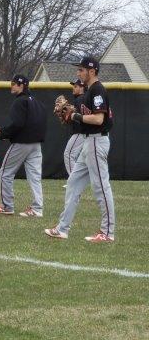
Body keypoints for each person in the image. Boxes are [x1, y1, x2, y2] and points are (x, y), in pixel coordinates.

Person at [45, 56, 116, 243]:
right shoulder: (89, 91)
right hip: (88, 142)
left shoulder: (98, 89)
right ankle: (62, 228)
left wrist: (75, 115)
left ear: (92, 71)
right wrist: (72, 113)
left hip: (97, 141)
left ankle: (107, 233)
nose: (78, 73)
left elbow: (99, 119)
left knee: (101, 187)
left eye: (81, 70)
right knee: (73, 184)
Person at [0, 74, 47, 218]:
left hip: (22, 143)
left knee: (5, 172)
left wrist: (1, 132)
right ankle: (37, 208)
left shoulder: (20, 101)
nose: (12, 86)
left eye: (14, 84)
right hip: (36, 145)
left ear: (22, 86)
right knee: (35, 177)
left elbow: (18, 124)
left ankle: (6, 206)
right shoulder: (37, 102)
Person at [63, 78, 86, 178]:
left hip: (80, 132)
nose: (73, 88)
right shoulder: (84, 98)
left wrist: (68, 115)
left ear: (82, 88)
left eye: (76, 86)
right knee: (79, 158)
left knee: (68, 155)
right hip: (84, 133)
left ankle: (74, 181)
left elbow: (80, 117)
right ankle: (76, 180)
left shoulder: (80, 99)